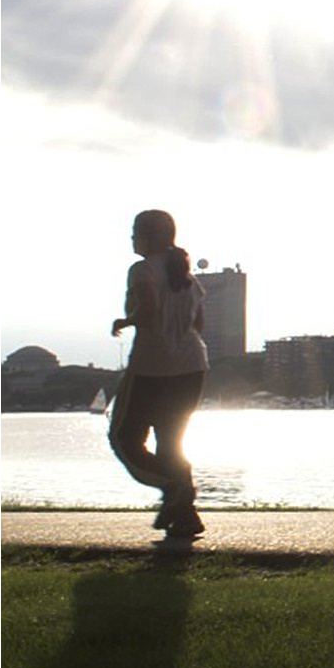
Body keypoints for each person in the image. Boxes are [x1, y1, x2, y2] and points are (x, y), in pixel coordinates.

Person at [109, 209, 210, 539]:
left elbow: (149, 312)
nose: (131, 239)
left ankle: (173, 486)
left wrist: (124, 321)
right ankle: (185, 518)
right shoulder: (188, 278)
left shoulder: (142, 270)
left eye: (135, 232)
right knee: (170, 442)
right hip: (192, 367)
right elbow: (199, 325)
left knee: (124, 438)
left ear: (150, 237)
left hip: (153, 367)